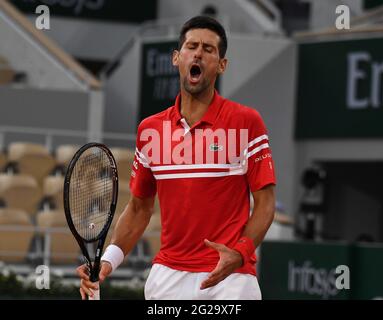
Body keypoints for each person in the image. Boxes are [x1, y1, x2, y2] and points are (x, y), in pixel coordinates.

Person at [77, 15, 276, 300]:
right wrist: (107, 262)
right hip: (167, 278)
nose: (198, 53)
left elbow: (265, 203)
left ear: (221, 65)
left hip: (231, 280)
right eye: (191, 46)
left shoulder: (246, 122)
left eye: (208, 49)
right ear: (176, 58)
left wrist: (240, 252)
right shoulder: (150, 130)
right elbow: (138, 209)